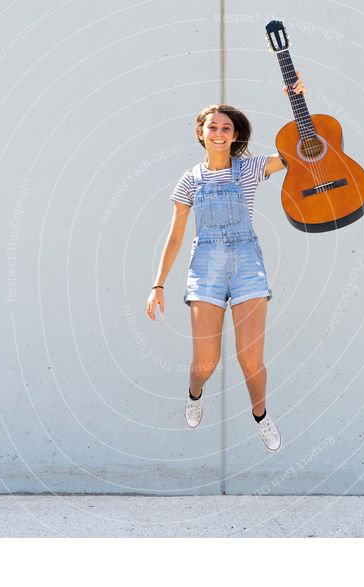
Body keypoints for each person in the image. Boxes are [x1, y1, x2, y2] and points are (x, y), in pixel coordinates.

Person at [146, 74, 307, 452]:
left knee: (250, 358)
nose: (219, 132)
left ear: (236, 135)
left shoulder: (250, 169)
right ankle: (195, 393)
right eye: (212, 127)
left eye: (226, 127)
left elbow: (304, 149)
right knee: (206, 361)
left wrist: (299, 101)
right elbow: (175, 237)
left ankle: (262, 416)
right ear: (201, 133)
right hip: (205, 268)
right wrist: (158, 285)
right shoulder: (189, 180)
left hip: (247, 262)